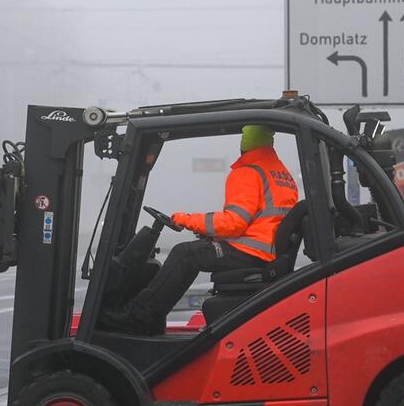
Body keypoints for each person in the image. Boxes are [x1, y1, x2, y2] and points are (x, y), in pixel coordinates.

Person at [99, 125, 299, 334]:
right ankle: (148, 317)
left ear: (246, 143)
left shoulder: (249, 172)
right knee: (196, 251)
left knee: (185, 254)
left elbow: (234, 223)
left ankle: (137, 317)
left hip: (251, 253)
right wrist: (211, 233)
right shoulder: (281, 174)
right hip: (265, 252)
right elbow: (259, 220)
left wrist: (186, 219)